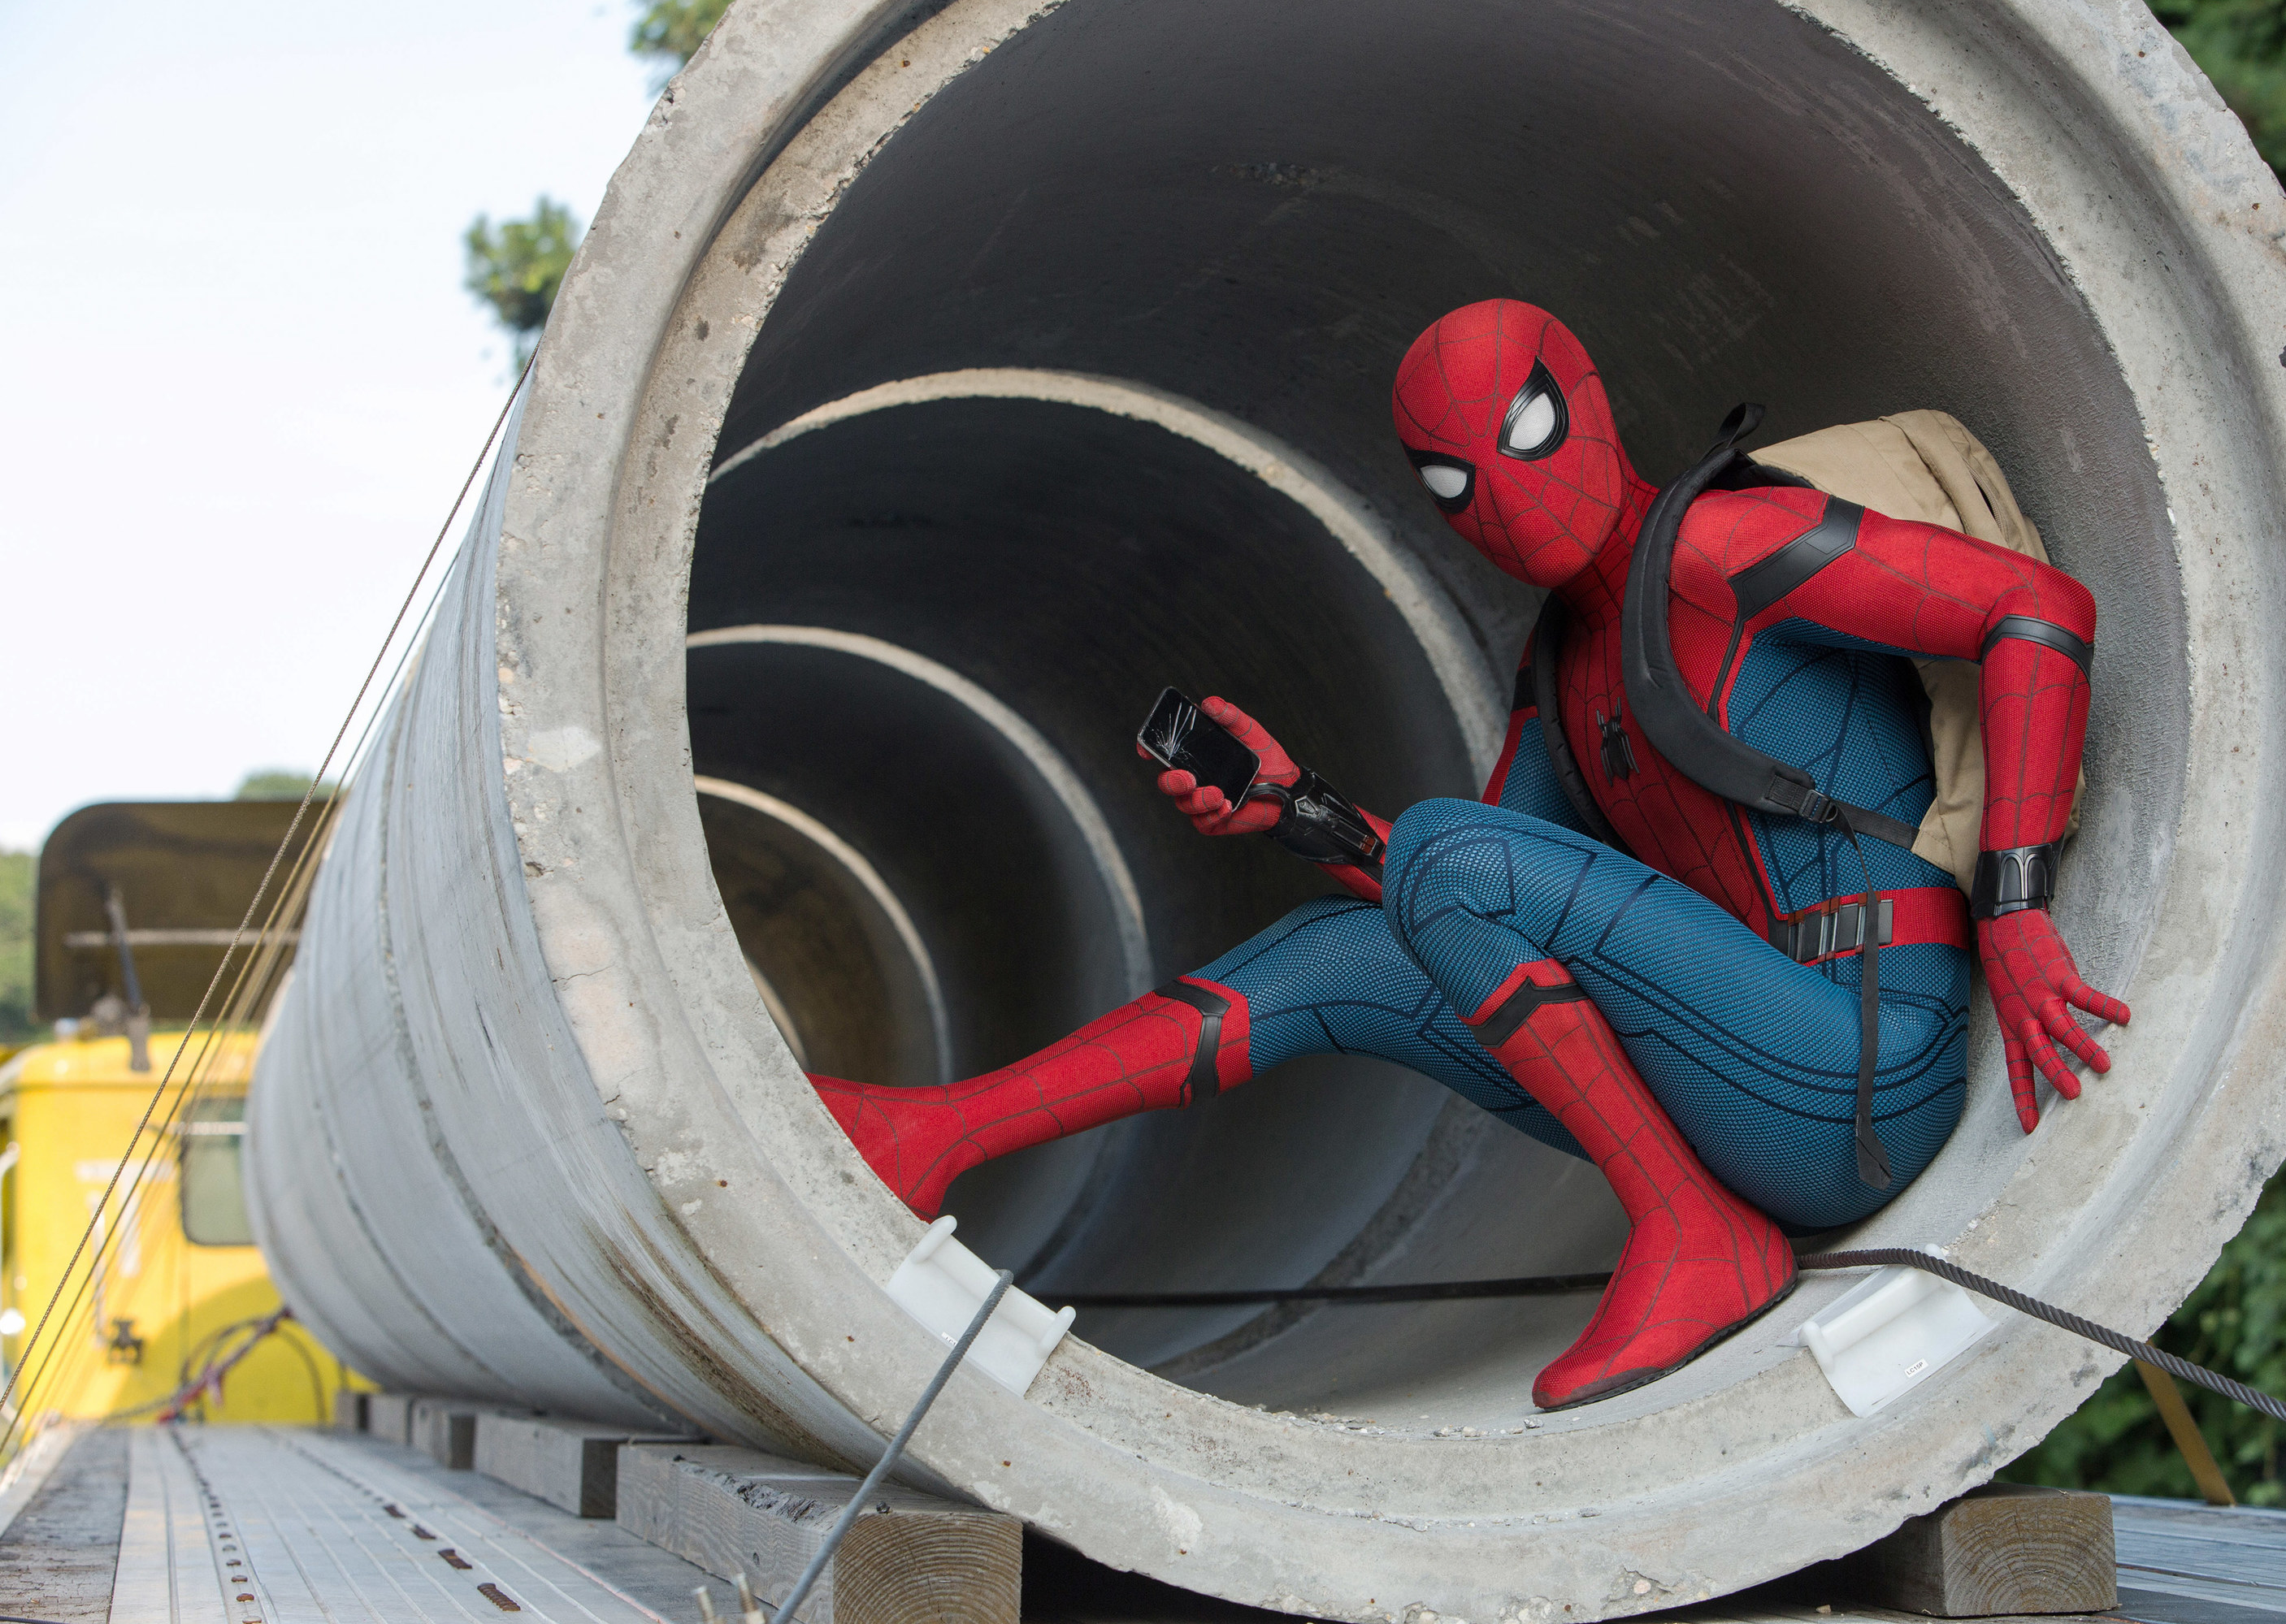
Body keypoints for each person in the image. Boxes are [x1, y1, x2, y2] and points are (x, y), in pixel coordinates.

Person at [810, 299, 2129, 1410]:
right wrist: (1299, 811)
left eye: (1526, 434)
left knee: (1448, 852)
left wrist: (2016, 903)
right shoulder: (1563, 670)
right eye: (1453, 481)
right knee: (1352, 949)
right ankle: (941, 1132)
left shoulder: (1733, 547)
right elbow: (1463, 897)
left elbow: (2034, 612)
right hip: (1741, 1078)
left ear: (1592, 404)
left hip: (1860, 1071)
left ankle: (1696, 1231)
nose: (1500, 496)